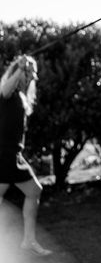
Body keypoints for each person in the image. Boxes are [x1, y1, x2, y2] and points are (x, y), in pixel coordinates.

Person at [0, 55, 52, 257]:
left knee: (34, 191)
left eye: (32, 73)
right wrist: (21, 68)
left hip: (14, 155)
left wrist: (24, 69)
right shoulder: (8, 93)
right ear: (18, 73)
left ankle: (28, 240)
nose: (32, 76)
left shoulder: (20, 97)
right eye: (28, 72)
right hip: (3, 154)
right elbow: (4, 90)